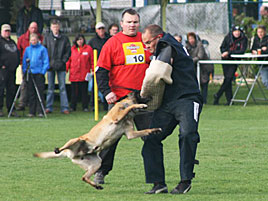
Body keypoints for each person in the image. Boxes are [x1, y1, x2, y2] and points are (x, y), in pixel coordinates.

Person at [140, 24, 202, 194]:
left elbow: (157, 73)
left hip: (188, 98)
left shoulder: (166, 44)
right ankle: (158, 183)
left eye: (148, 42)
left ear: (158, 37)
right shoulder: (166, 45)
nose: (147, 47)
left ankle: (185, 180)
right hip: (169, 102)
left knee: (188, 134)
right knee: (151, 137)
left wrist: (144, 93)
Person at [94, 8, 152, 184]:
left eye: (135, 22)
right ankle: (100, 172)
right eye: (129, 22)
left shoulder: (145, 40)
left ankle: (156, 177)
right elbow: (101, 71)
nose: (132, 25)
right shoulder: (112, 43)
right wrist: (106, 92)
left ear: (139, 23)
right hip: (120, 100)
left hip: (142, 99)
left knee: (151, 138)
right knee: (110, 140)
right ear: (121, 24)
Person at [214, 26, 248, 105]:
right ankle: (229, 100)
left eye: (238, 31)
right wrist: (224, 53)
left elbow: (241, 51)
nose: (237, 33)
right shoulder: (228, 37)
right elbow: (222, 47)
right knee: (227, 80)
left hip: (234, 60)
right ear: (232, 32)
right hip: (226, 60)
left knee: (229, 78)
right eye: (235, 31)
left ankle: (218, 94)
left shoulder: (244, 39)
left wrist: (229, 53)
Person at [43, 19, 71, 114]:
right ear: (51, 28)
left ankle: (65, 107)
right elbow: (44, 50)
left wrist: (63, 61)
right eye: (53, 27)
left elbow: (68, 51)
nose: (55, 28)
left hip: (61, 65)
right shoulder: (47, 37)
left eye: (56, 26)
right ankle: (48, 107)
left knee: (62, 87)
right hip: (50, 66)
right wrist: (48, 62)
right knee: (50, 87)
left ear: (59, 27)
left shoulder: (64, 38)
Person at [17, 22, 43, 111]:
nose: (34, 29)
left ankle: (38, 108)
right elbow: (19, 51)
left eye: (35, 28)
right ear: (29, 28)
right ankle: (22, 103)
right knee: (24, 85)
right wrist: (22, 64)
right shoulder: (22, 38)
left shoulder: (41, 38)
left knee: (37, 88)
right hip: (26, 66)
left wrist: (42, 70)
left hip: (38, 69)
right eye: (32, 28)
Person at [22, 33, 49, 117]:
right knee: (31, 92)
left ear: (37, 40)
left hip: (39, 73)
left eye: (34, 40)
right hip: (30, 73)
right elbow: (24, 61)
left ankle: (40, 111)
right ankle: (32, 111)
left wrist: (43, 71)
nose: (33, 41)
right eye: (32, 40)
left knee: (39, 92)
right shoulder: (27, 49)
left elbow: (46, 61)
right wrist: (25, 71)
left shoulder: (42, 49)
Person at [66, 34, 94, 112]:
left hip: (84, 73)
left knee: (84, 91)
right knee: (74, 92)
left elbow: (92, 60)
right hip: (74, 73)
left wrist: (93, 70)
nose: (80, 41)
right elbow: (69, 60)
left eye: (81, 39)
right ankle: (73, 106)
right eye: (78, 40)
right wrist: (66, 69)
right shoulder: (72, 49)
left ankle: (85, 106)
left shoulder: (88, 49)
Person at [186, 32, 214, 104]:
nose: (191, 40)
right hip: (195, 67)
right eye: (189, 39)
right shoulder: (187, 46)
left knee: (204, 84)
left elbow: (200, 56)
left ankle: (204, 101)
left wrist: (190, 61)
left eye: (192, 38)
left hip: (204, 67)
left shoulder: (199, 45)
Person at [88, 22, 110, 111]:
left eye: (102, 28)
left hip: (108, 66)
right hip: (97, 67)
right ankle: (93, 105)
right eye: (99, 29)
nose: (101, 30)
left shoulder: (109, 39)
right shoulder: (92, 41)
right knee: (94, 87)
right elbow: (89, 56)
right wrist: (91, 68)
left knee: (108, 86)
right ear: (96, 30)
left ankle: (106, 105)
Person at [0, 24, 20, 117]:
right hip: (3, 70)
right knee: (1, 89)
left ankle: (11, 109)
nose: (7, 32)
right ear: (2, 31)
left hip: (12, 70)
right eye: (5, 31)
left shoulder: (12, 42)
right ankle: (0, 109)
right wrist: (2, 65)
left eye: (8, 31)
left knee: (11, 90)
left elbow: (16, 53)